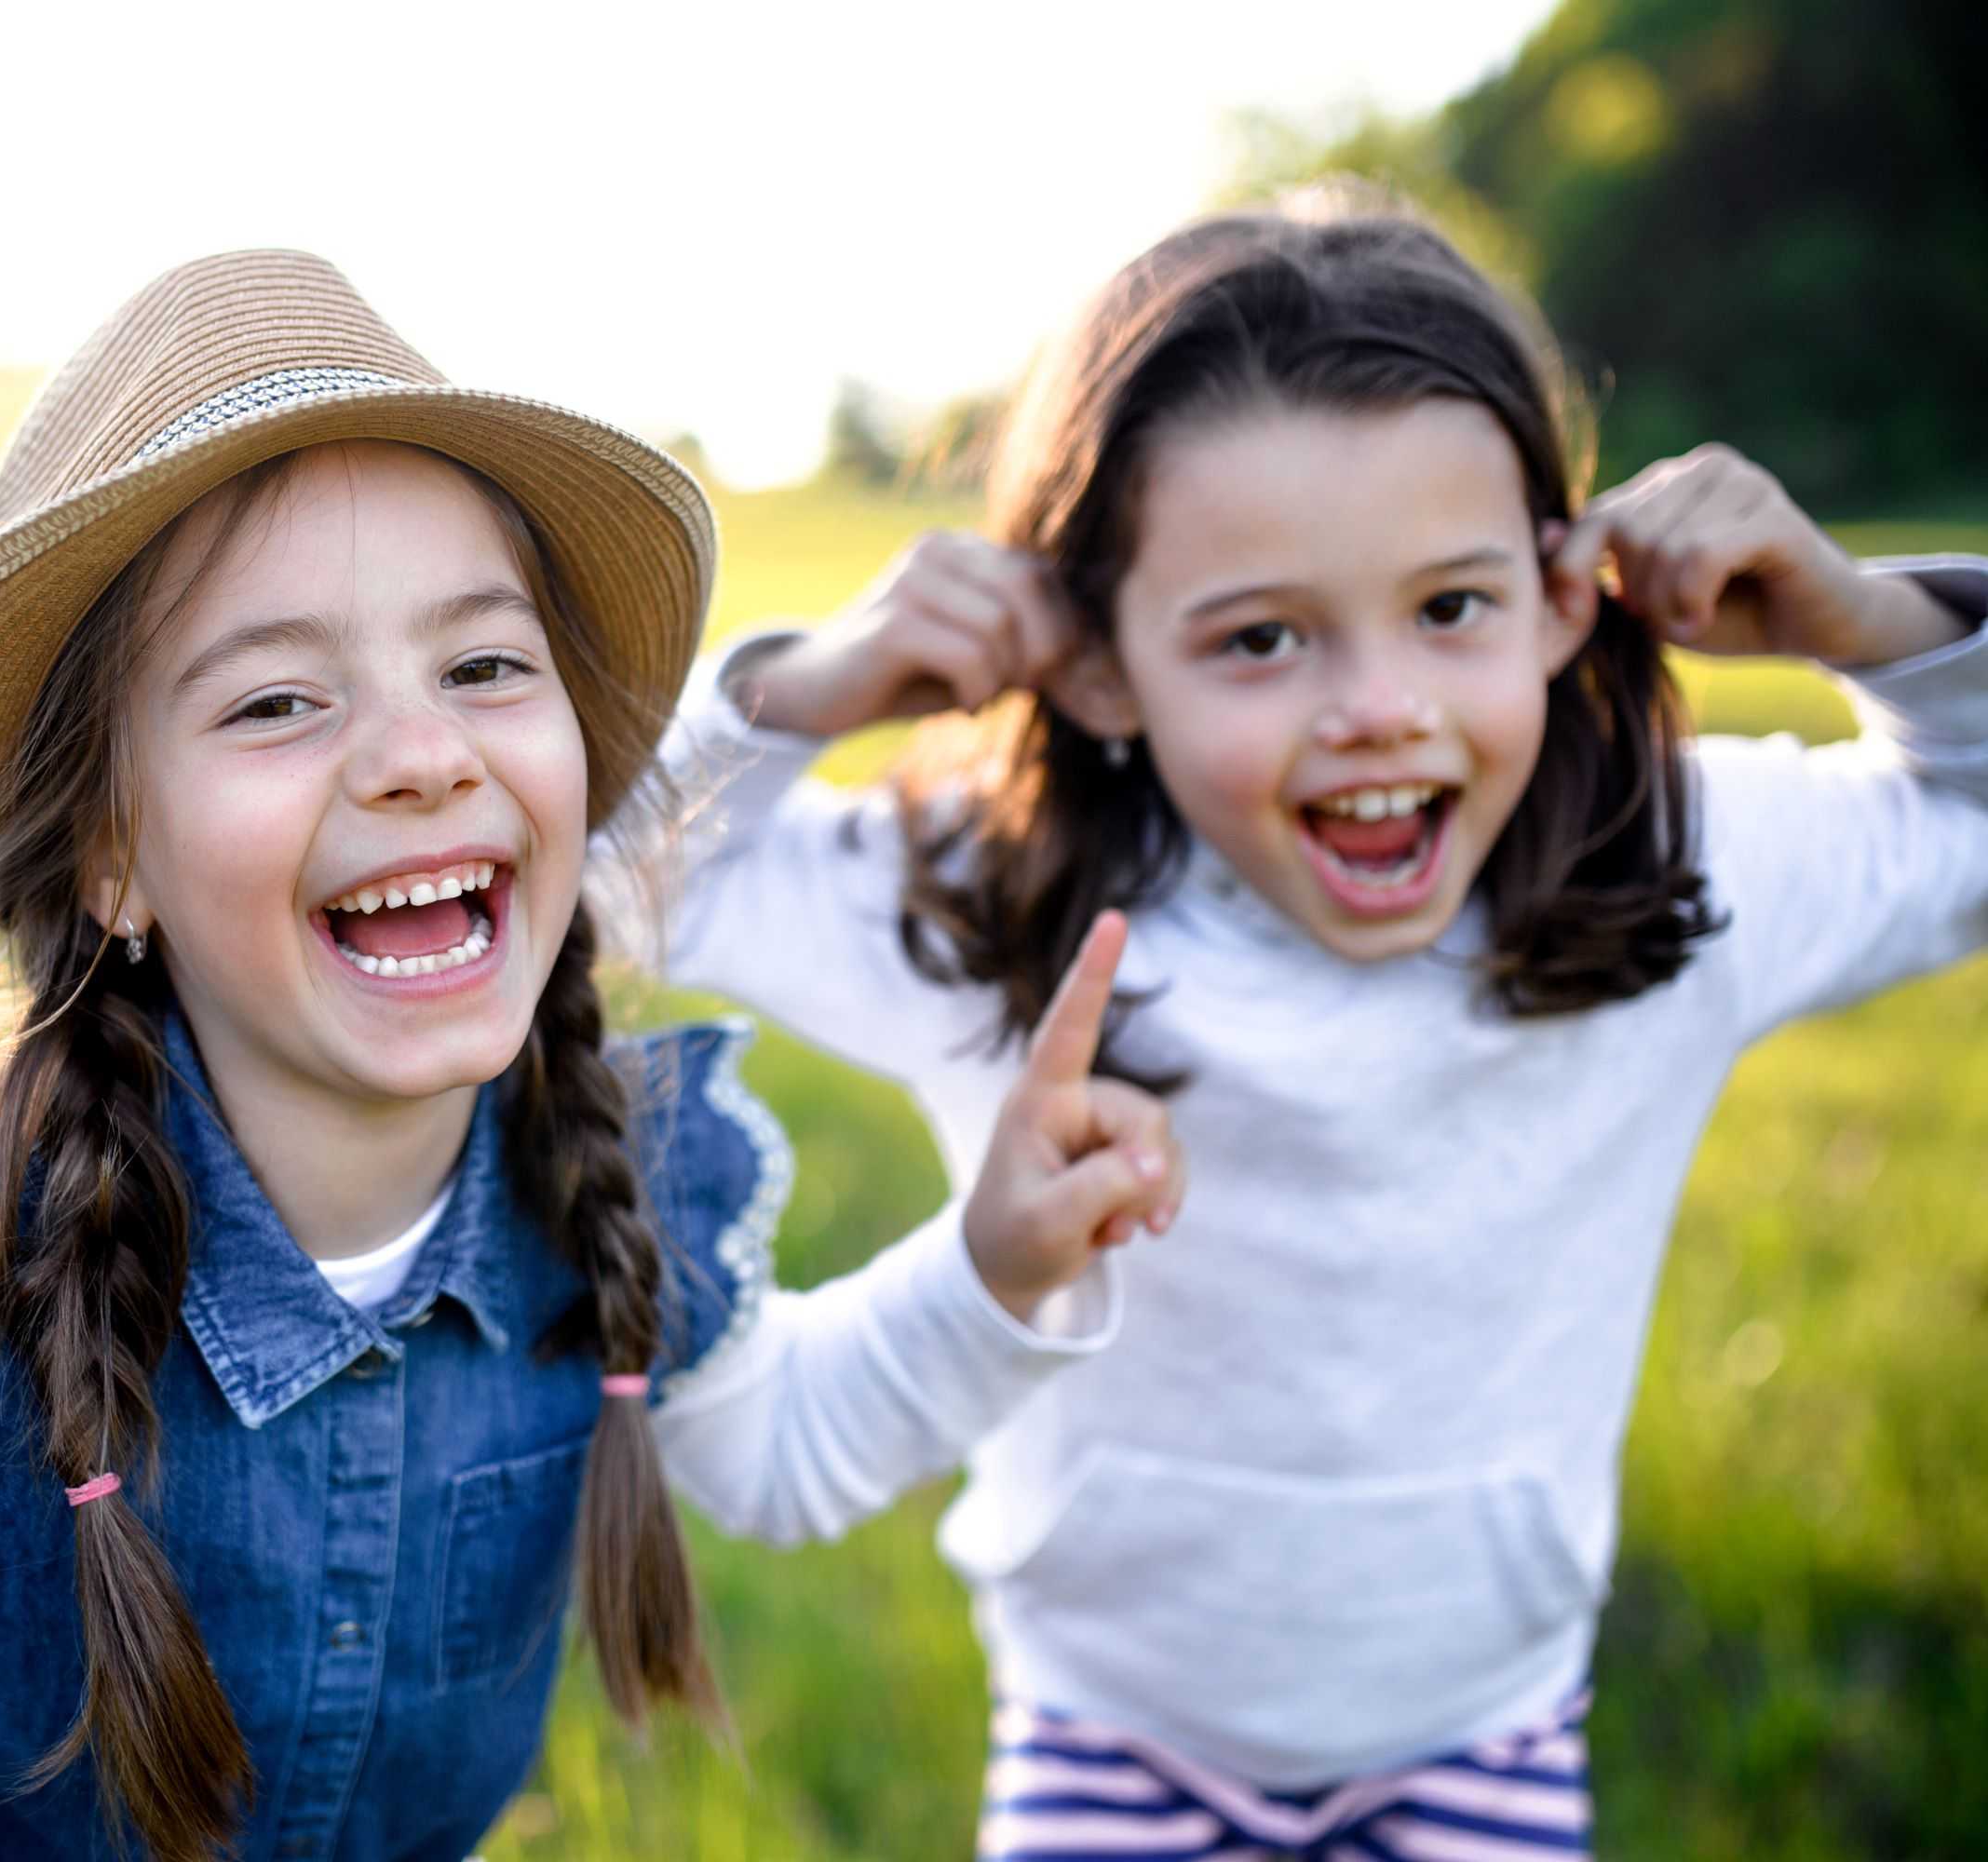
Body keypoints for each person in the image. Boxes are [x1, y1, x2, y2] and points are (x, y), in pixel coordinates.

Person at [0, 250, 1187, 1862]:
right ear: (112, 855)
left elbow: (777, 1445)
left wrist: (996, 1270)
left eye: (485, 665)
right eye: (279, 697)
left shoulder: (597, 1192)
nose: (421, 749)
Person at [652, 186, 1988, 1857]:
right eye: (1262, 637)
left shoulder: (1674, 874)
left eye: (1451, 608)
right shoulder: (994, 905)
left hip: (1478, 1737)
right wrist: (804, 692)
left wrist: (1868, 624)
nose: (1376, 709)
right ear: (1097, 666)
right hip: (1110, 1735)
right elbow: (603, 886)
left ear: (1568, 601)